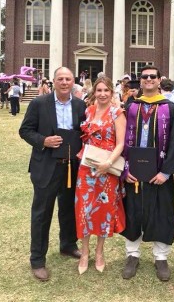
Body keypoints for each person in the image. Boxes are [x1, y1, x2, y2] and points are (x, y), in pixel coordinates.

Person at [19, 67, 86, 282]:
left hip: (71, 167)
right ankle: (37, 260)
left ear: (73, 81)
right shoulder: (40, 103)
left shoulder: (80, 104)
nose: (64, 82)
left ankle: (68, 245)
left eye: (68, 79)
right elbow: (25, 130)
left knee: (68, 209)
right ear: (54, 81)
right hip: (46, 166)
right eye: (60, 79)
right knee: (42, 213)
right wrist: (43, 141)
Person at [121, 65, 174, 282]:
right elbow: (121, 140)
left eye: (152, 77)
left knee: (162, 211)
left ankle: (161, 257)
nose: (148, 79)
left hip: (160, 173)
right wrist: (124, 169)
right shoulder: (131, 106)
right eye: (144, 77)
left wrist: (166, 172)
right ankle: (132, 255)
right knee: (133, 210)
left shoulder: (170, 107)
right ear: (141, 80)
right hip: (133, 173)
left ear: (159, 80)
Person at [75, 76, 127, 274]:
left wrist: (108, 163)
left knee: (104, 211)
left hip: (107, 169)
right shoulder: (88, 111)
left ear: (111, 93)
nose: (103, 94)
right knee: (85, 210)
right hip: (86, 168)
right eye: (99, 90)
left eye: (106, 90)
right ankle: (84, 252)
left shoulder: (117, 113)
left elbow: (121, 143)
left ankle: (99, 253)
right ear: (94, 92)